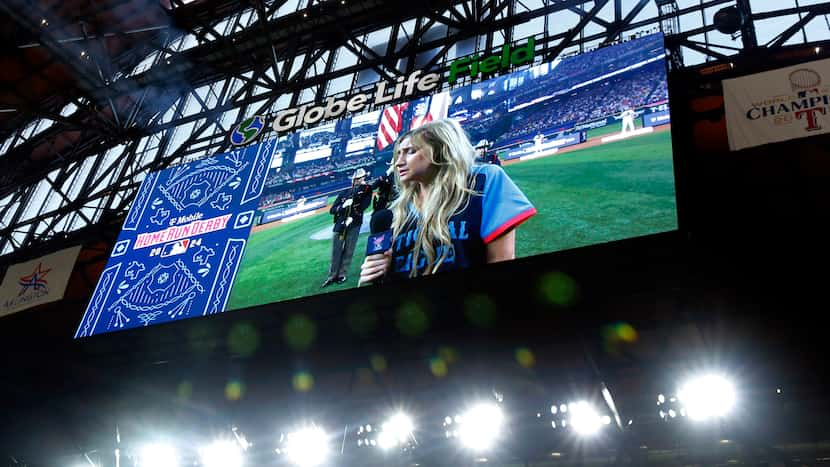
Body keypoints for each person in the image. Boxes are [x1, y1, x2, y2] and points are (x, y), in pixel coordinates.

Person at [359, 119, 536, 285]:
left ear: (441, 149)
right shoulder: (395, 212)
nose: (398, 162)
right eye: (398, 154)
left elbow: (501, 259)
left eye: (410, 151)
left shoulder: (483, 181)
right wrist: (386, 267)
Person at [322, 168, 372, 288]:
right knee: (336, 251)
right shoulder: (344, 193)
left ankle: (342, 274)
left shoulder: (365, 190)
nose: (361, 180)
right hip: (340, 225)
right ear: (354, 179)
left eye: (362, 178)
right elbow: (332, 210)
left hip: (354, 224)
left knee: (349, 250)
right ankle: (332, 276)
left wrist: (352, 218)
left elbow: (363, 206)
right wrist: (342, 207)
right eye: (359, 178)